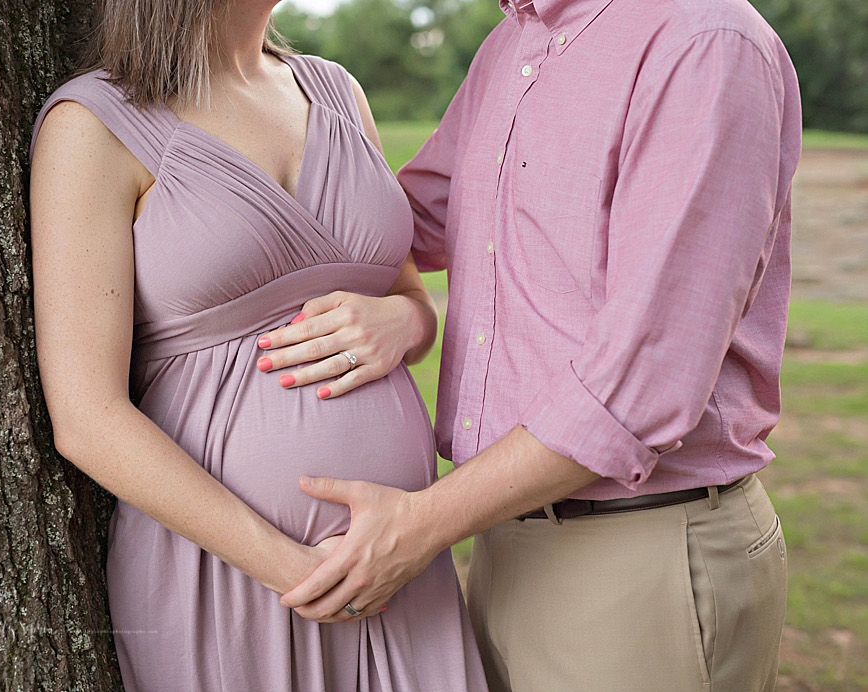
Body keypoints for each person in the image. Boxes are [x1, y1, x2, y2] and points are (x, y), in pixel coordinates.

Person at [266, 0, 800, 690]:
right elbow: (413, 216)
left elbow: (642, 383)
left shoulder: (704, 41)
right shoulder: (513, 44)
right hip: (507, 540)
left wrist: (422, 524)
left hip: (640, 555)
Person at [29, 1, 486, 689]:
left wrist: (409, 323)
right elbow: (86, 419)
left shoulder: (337, 91)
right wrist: (296, 570)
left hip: (402, 566)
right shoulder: (93, 126)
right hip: (234, 579)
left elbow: (409, 298)